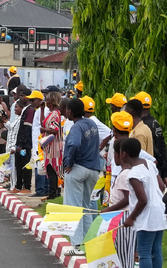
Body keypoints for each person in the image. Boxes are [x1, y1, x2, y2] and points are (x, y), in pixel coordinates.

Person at [104, 138, 167, 268]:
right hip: (159, 210)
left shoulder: (133, 174)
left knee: (144, 252)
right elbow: (161, 186)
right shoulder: (149, 164)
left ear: (124, 154)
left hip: (146, 216)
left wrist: (131, 218)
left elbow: (143, 200)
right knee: (156, 251)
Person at [61, 97, 103, 252]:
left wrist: (69, 162)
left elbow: (74, 144)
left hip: (77, 168)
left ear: (70, 111)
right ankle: (87, 243)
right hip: (93, 169)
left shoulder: (76, 127)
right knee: (86, 207)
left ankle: (76, 245)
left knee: (74, 207)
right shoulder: (91, 123)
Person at [135, 91, 167, 181]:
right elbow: (163, 148)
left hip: (150, 170)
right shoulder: (155, 123)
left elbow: (155, 150)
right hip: (158, 170)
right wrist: (165, 173)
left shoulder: (143, 127)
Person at [40, 92, 63, 201]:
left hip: (54, 146)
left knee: (52, 169)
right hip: (49, 146)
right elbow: (43, 123)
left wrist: (44, 130)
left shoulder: (55, 114)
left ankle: (53, 193)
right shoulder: (51, 113)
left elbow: (54, 130)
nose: (46, 102)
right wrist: (42, 110)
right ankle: (53, 192)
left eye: (47, 100)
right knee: (50, 169)